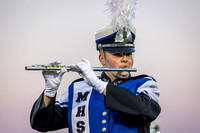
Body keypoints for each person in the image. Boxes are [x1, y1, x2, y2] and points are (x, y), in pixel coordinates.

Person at [30, 1, 161, 132]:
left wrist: (100, 85)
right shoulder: (77, 88)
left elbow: (145, 111)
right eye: (117, 54)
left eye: (128, 54)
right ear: (102, 59)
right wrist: (49, 92)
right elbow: (42, 124)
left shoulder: (145, 84)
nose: (125, 59)